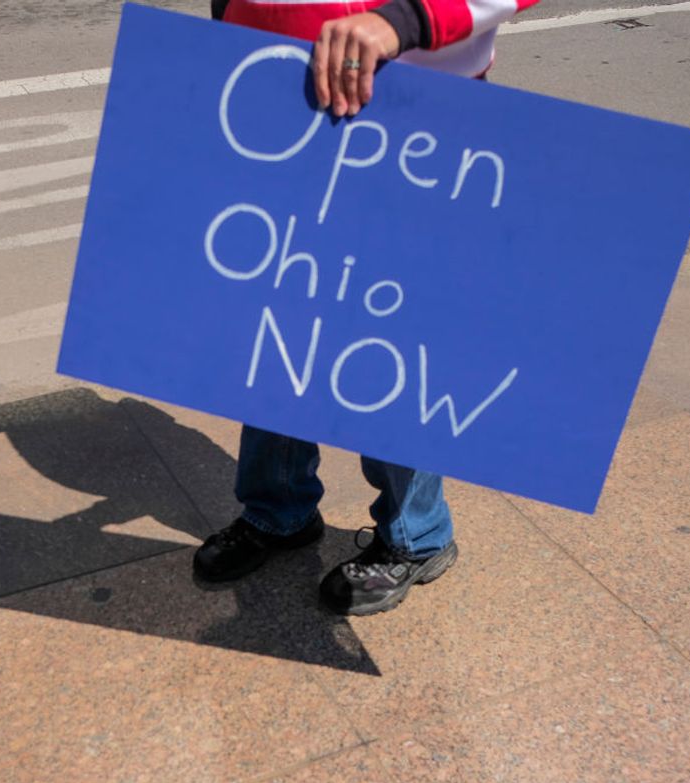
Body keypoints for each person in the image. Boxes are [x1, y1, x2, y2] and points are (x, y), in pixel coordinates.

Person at [193, 0, 540, 615]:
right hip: (279, 93)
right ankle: (278, 510)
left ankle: (417, 534)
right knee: (283, 317)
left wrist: (404, 19)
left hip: (418, 108)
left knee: (391, 331)